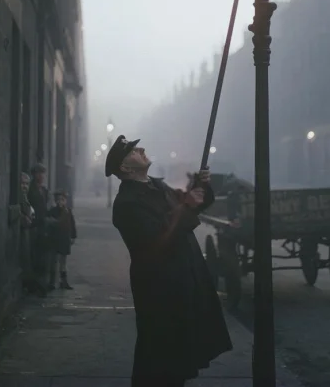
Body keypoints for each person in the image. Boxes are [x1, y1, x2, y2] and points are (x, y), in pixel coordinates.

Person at [107, 135, 232, 387]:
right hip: (160, 287)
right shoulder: (127, 204)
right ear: (125, 168)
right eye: (132, 150)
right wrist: (186, 206)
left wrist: (200, 188)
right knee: (158, 358)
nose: (140, 148)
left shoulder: (156, 186)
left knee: (180, 356)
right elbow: (157, 245)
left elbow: (186, 208)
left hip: (182, 279)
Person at [28, 163, 53, 295]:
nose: (41, 176)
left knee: (43, 256)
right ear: (34, 174)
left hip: (43, 226)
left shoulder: (44, 190)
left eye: (43, 173)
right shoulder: (30, 190)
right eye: (39, 173)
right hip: (34, 226)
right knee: (35, 256)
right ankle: (36, 285)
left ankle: (42, 284)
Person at [47, 190, 77, 290]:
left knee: (63, 262)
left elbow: (72, 224)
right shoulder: (52, 211)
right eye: (59, 200)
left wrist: (73, 236)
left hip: (64, 239)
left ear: (66, 201)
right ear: (56, 201)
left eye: (63, 200)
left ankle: (63, 282)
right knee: (53, 261)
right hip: (55, 239)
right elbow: (49, 225)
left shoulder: (68, 211)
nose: (61, 202)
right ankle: (52, 282)